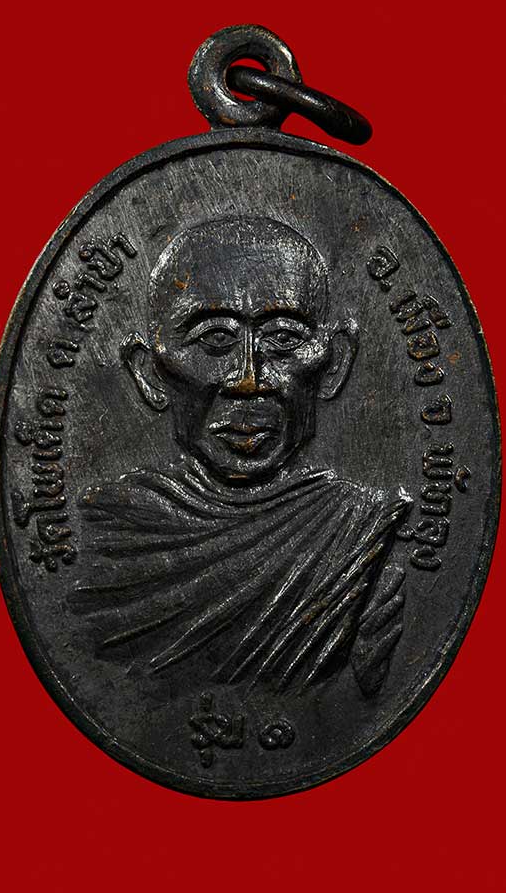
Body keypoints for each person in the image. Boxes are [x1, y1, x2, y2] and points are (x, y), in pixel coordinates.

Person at [69, 217, 411, 696]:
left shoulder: (365, 535)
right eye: (214, 339)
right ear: (149, 372)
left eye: (283, 339)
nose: (249, 379)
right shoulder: (105, 533)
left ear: (333, 364)